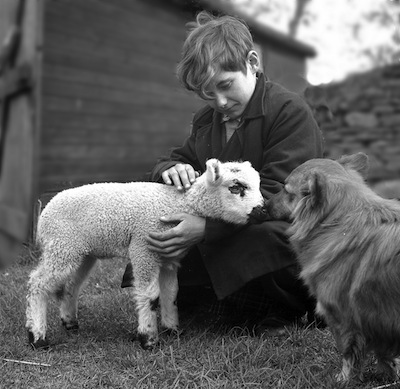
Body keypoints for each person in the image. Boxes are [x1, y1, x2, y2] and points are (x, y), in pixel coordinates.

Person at [122, 11, 324, 331]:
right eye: (207, 94)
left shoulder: (288, 111)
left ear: (252, 63)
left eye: (225, 85)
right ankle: (214, 300)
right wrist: (171, 169)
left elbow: (278, 192)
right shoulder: (208, 119)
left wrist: (205, 228)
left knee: (265, 236)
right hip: (229, 222)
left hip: (284, 225)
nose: (220, 102)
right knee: (163, 222)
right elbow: (180, 157)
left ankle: (284, 308)